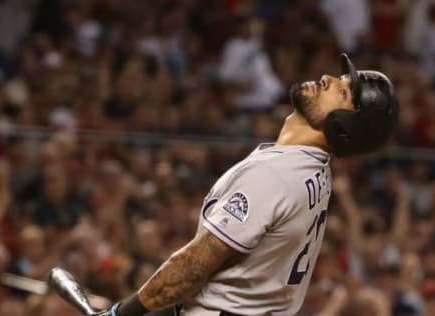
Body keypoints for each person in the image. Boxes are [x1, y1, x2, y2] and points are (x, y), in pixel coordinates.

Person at [91, 53, 399, 316]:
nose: (327, 79)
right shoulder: (312, 170)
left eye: (342, 93)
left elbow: (193, 268)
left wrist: (121, 312)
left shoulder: (277, 174)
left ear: (344, 128)